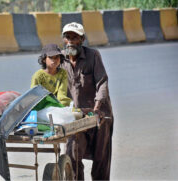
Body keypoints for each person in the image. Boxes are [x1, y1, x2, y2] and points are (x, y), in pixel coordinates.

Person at [61, 22, 114, 180]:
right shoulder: (61, 60)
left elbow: (102, 82)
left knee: (101, 159)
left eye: (75, 37)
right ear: (64, 40)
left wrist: (97, 108)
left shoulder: (93, 56)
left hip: (99, 115)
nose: (70, 41)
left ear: (82, 39)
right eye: (68, 37)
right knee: (73, 155)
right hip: (76, 117)